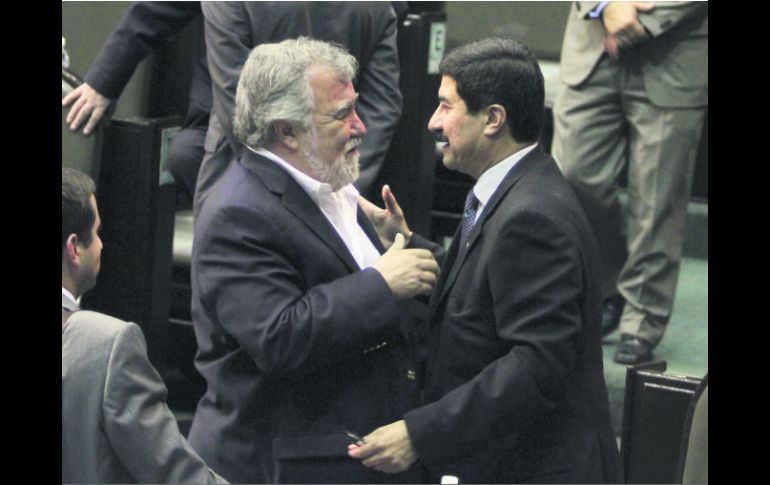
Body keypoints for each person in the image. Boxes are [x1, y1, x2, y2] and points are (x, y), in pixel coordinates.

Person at [348, 38, 622, 484]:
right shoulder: (519, 188)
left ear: (493, 119)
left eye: (445, 106)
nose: (433, 123)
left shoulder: (531, 218)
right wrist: (407, 241)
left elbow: (537, 364)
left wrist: (420, 434)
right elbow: (484, 292)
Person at [187, 38, 439, 484]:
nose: (361, 127)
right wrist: (381, 283)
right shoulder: (237, 212)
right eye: (342, 115)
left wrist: (399, 244)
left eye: (355, 108)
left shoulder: (329, 184)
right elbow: (280, 337)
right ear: (286, 131)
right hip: (285, 466)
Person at [551, 2, 708, 364]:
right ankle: (609, 286)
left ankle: (642, 317)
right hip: (591, 48)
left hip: (674, 50)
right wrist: (607, 6)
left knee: (657, 197)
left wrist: (644, 17)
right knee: (572, 176)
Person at [61, 167, 226, 484]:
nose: (101, 245)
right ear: (73, 249)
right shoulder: (105, 346)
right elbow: (175, 475)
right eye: (96, 233)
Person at [193, 1, 403, 215]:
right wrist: (341, 183)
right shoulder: (374, 5)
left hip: (242, 177)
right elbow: (381, 105)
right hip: (340, 189)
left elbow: (236, 98)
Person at [61, 1, 208, 209]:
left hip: (262, 106)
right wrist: (103, 81)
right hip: (222, 112)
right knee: (185, 155)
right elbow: (158, 10)